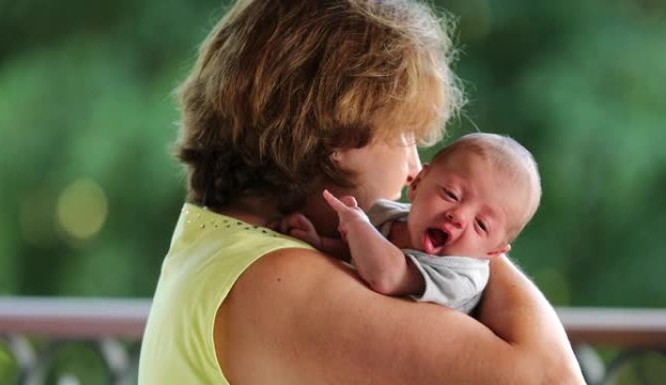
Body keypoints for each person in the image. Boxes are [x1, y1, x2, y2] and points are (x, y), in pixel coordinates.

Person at [138, 1, 585, 384]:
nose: (415, 167)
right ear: (344, 138)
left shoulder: (217, 247)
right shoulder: (278, 280)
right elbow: (552, 378)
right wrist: (475, 218)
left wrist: (457, 205)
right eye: (406, 133)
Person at [281, 133, 541, 314]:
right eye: (451, 195)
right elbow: (355, 253)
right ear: (417, 184)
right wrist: (320, 243)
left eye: (481, 225)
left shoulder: (463, 275)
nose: (458, 216)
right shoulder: (388, 215)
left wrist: (357, 223)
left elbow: (387, 276)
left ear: (493, 252)